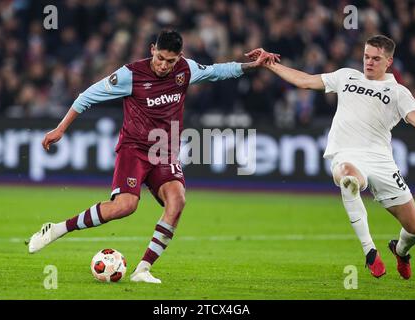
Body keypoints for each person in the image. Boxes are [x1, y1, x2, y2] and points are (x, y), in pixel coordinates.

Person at [26, 30, 273, 283]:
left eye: (171, 61)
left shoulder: (185, 69)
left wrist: (253, 64)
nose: (165, 65)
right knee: (126, 206)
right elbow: (86, 96)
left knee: (177, 201)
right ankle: (56, 229)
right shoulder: (130, 74)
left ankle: (142, 270)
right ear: (152, 49)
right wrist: (60, 129)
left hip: (165, 152)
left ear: (180, 57)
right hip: (133, 149)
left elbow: (217, 71)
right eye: (161, 58)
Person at [246, 35, 415, 279]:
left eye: (376, 58)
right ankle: (370, 252)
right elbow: (306, 81)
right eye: (366, 57)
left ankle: (400, 251)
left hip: (381, 160)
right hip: (347, 153)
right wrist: (270, 63)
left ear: (389, 61)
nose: (369, 62)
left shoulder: (398, 92)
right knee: (349, 180)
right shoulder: (346, 76)